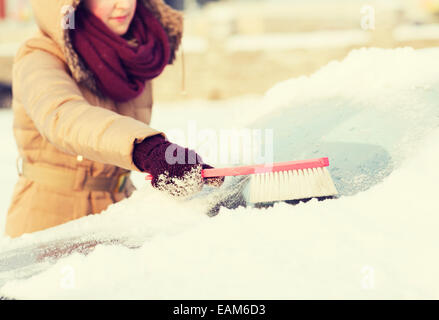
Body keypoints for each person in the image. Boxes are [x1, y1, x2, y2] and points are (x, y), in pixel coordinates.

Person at [5, 0, 223, 238]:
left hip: (118, 210)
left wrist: (173, 166)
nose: (124, 5)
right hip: (50, 219)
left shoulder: (134, 53)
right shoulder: (40, 55)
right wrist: (147, 150)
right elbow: (62, 116)